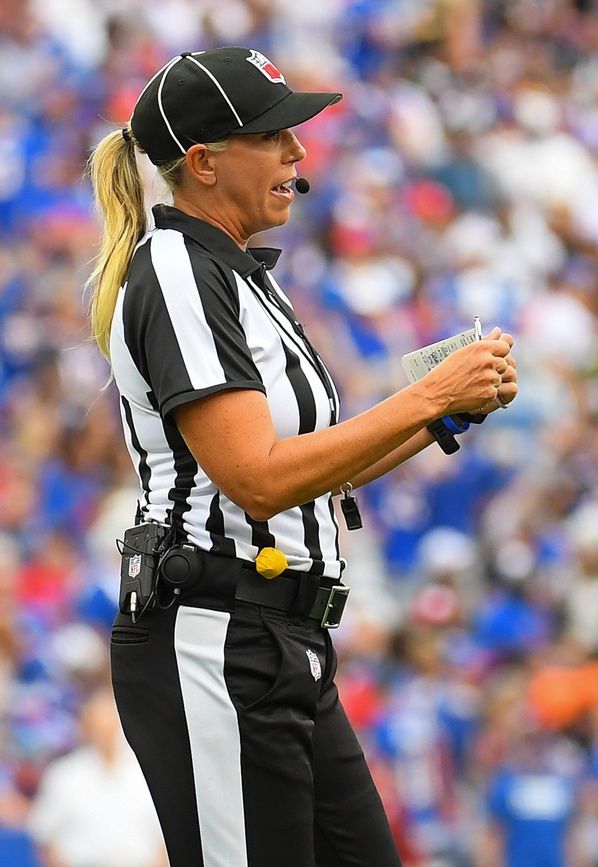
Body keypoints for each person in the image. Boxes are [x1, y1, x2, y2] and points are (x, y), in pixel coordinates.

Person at [85, 47, 517, 866]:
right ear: (204, 162)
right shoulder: (176, 265)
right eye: (273, 135)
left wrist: (443, 415)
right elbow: (254, 477)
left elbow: (313, 474)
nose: (298, 153)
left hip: (278, 639)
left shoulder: (240, 276)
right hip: (214, 633)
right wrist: (426, 397)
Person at [27, 689, 166, 867]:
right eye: (99, 725)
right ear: (86, 727)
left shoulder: (146, 775)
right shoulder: (64, 775)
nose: (105, 732)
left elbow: (163, 840)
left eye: (111, 724)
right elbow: (44, 837)